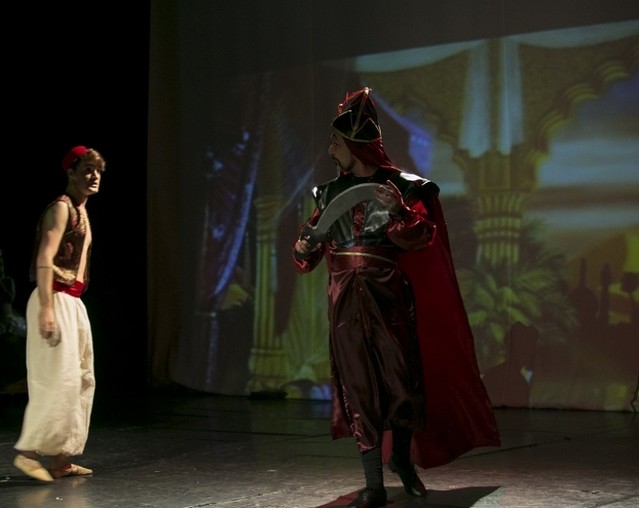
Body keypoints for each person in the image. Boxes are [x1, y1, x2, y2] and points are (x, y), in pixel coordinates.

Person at [293, 88, 500, 508]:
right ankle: (372, 483)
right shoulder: (328, 195)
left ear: (354, 145)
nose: (331, 151)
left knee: (401, 383)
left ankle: (401, 461)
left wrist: (398, 213)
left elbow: (421, 237)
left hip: (389, 298)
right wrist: (302, 249)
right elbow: (311, 250)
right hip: (346, 302)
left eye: (336, 143)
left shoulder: (403, 188)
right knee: (359, 388)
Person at [13, 146, 105, 482]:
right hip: (55, 296)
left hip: (73, 300)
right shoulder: (61, 209)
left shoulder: (82, 211)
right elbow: (44, 257)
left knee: (79, 379)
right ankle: (27, 453)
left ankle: (61, 460)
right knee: (56, 380)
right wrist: (48, 309)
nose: (94, 176)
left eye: (97, 170)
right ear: (71, 172)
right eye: (87, 169)